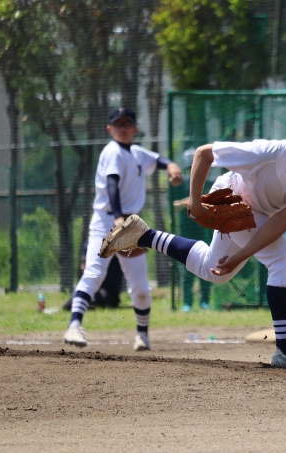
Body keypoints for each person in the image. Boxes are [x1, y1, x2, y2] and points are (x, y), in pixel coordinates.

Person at [99, 99, 286, 368]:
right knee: (283, 259)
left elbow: (282, 220)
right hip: (232, 197)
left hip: (260, 214)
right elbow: (204, 154)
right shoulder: (268, 152)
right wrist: (196, 203)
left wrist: (241, 255)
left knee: (213, 271)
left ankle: (144, 235)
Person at [63, 107, 183, 350]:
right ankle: (74, 325)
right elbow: (112, 184)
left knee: (140, 286)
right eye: (118, 124)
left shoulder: (136, 153)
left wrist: (171, 165)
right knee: (94, 273)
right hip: (107, 221)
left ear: (135, 129)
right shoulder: (112, 151)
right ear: (109, 129)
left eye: (127, 124)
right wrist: (118, 217)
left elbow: (156, 160)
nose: (123, 128)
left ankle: (142, 335)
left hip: (132, 225)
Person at [173, 148, 212, 312]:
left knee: (207, 265)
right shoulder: (181, 184)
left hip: (206, 230)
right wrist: (192, 200)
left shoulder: (210, 183)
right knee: (187, 267)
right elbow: (174, 206)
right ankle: (187, 303)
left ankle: (205, 302)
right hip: (186, 231)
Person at [62, 239, 123, 311]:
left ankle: (90, 304)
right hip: (92, 287)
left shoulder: (117, 242)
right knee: (69, 304)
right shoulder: (90, 242)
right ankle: (88, 304)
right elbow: (84, 266)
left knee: (101, 297)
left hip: (108, 291)